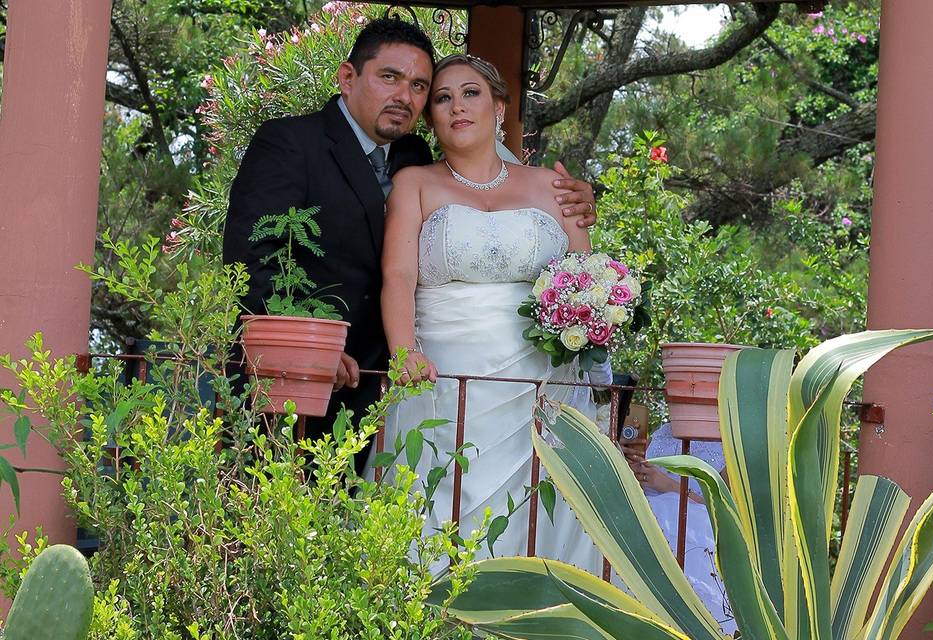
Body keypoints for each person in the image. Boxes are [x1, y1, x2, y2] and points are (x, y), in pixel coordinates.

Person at [223, 18, 597, 457]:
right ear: (347, 78)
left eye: (420, 86)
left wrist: (581, 199)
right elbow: (250, 257)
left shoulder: (411, 156)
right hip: (301, 379)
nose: (405, 96)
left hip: (389, 384)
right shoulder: (289, 142)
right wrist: (310, 345)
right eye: (390, 77)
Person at [366, 53, 604, 575]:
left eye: (471, 93)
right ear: (431, 118)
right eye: (443, 98)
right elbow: (399, 278)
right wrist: (405, 352)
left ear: (500, 106)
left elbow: (586, 280)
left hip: (543, 381)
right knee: (439, 510)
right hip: (443, 378)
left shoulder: (553, 186)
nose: (457, 107)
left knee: (539, 513)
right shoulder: (414, 184)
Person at [624, 422, 736, 635]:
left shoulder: (731, 443)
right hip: (647, 518)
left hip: (694, 527)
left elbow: (724, 509)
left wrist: (666, 485)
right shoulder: (663, 432)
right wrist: (637, 472)